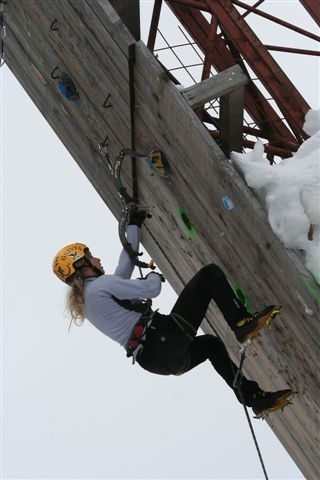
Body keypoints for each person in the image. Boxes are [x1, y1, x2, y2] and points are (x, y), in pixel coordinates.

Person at [53, 210, 293, 418]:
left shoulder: (91, 298)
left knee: (211, 345)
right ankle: (241, 323)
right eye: (90, 256)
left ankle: (254, 398)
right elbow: (152, 289)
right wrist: (153, 275)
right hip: (161, 338)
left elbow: (124, 266)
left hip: (160, 361)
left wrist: (134, 227)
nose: (97, 258)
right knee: (209, 275)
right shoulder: (100, 287)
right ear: (82, 266)